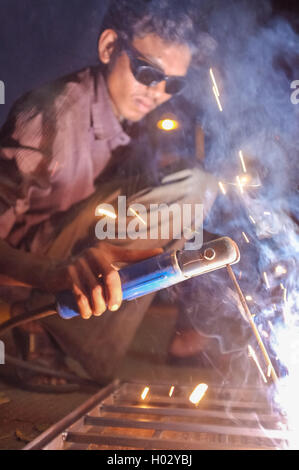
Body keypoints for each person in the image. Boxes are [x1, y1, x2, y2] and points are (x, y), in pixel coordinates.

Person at [0, 0, 218, 386]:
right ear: (108, 48)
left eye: (174, 84)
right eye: (148, 72)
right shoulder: (49, 116)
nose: (158, 92)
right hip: (32, 283)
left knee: (197, 185)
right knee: (193, 187)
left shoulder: (139, 126)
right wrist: (53, 274)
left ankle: (78, 343)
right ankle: (34, 334)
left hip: (78, 302)